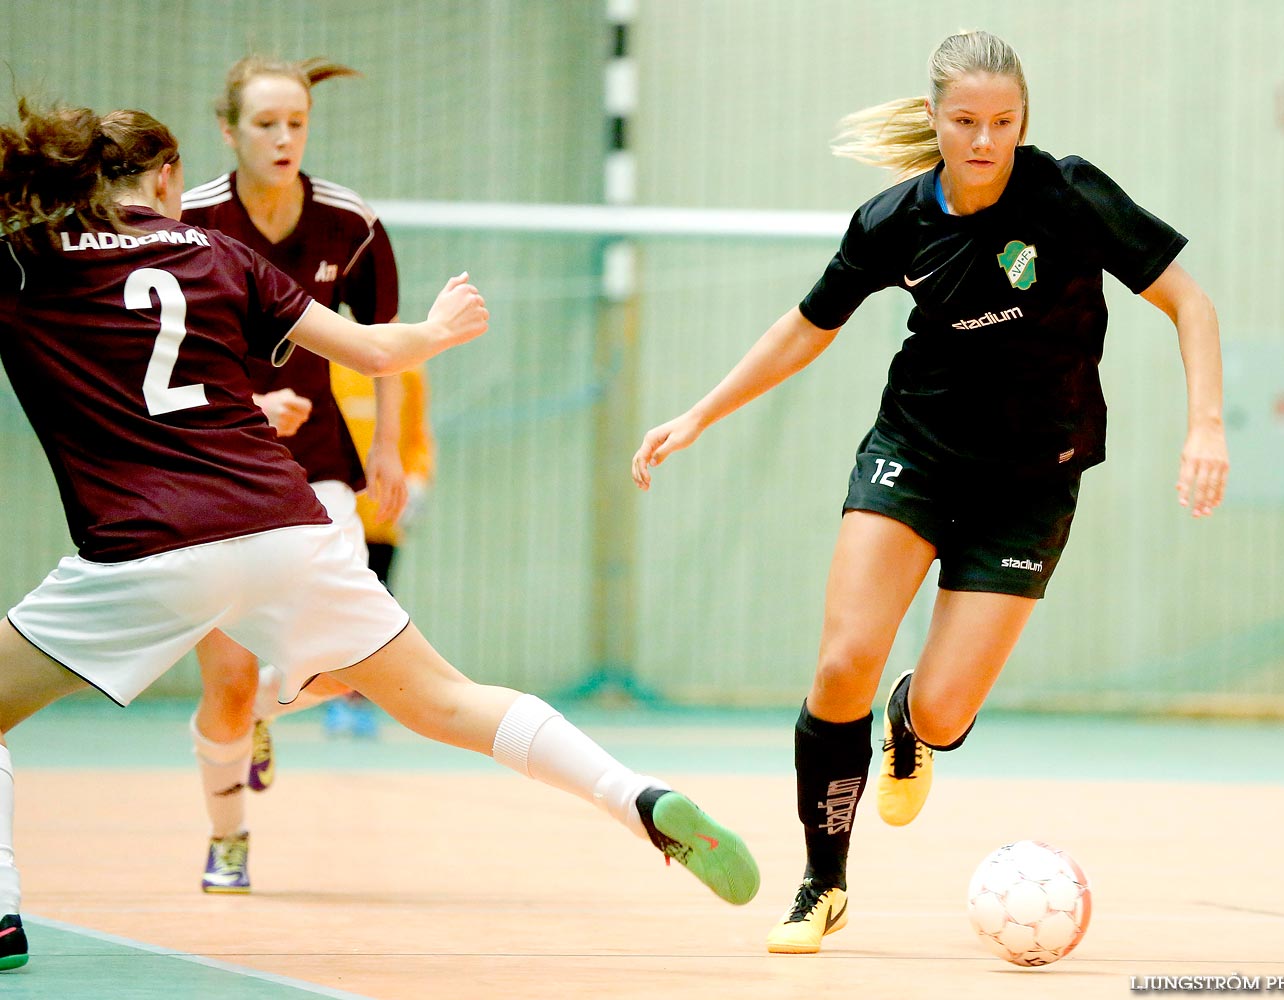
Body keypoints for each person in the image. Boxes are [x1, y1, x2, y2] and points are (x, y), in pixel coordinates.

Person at [0, 99, 759, 972]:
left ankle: (4, 911)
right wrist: (437, 330)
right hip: (286, 526)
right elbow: (368, 351)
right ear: (164, 177)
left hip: (146, 546)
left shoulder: (29, 261)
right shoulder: (221, 254)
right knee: (446, 700)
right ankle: (637, 798)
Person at [631, 29, 1226, 955]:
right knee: (840, 665)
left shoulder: (1067, 194)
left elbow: (1189, 300)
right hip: (915, 451)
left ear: (1024, 120)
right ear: (932, 120)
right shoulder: (892, 220)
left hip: (1032, 482)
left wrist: (1206, 425)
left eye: (1003, 121)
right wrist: (699, 414)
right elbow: (806, 326)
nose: (984, 139)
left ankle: (911, 721)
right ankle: (821, 884)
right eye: (965, 121)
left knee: (945, 713)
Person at [179, 55, 410, 892]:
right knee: (230, 686)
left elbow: (387, 344)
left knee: (354, 659)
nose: (283, 139)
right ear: (228, 130)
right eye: (265, 124)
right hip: (209, 474)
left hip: (318, 471)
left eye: (297, 124)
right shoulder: (189, 219)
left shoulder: (350, 223)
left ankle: (277, 707)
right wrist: (240, 401)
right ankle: (228, 837)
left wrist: (385, 445)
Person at [325, 363, 437, 737]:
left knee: (376, 612)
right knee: (331, 610)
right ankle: (328, 696)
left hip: (382, 517)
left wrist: (418, 481)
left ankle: (358, 699)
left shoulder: (407, 368)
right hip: (333, 516)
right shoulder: (327, 359)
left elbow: (418, 436)